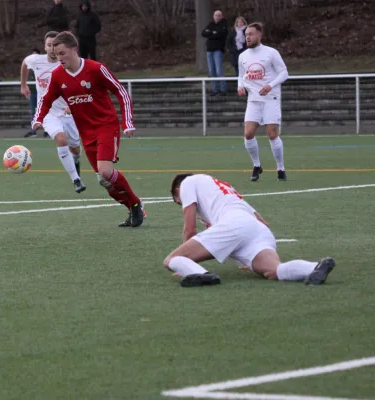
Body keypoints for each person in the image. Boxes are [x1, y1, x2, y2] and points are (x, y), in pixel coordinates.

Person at [33, 31, 145, 227]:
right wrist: (38, 119)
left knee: (105, 171)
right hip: (86, 133)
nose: (58, 58)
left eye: (62, 53)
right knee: (105, 180)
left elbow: (120, 91)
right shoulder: (58, 75)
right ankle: (133, 208)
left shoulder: (96, 69)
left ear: (74, 50)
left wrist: (127, 122)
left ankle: (136, 204)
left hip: (106, 127)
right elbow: (46, 99)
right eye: (56, 54)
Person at [163, 173, 335, 287]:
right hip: (258, 230)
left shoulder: (187, 183)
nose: (182, 203)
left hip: (235, 223)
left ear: (177, 191)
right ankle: (314, 267)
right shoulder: (223, 191)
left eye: (178, 201)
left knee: (172, 259)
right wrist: (246, 259)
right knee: (274, 270)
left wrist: (186, 262)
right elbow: (262, 223)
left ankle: (200, 274)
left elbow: (190, 227)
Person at [21, 31, 86, 194]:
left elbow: (79, 83)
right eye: (49, 45)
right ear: (44, 46)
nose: (51, 49)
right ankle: (76, 180)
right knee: (61, 139)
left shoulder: (65, 64)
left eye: (54, 46)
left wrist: (72, 103)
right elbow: (24, 63)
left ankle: (76, 162)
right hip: (48, 112)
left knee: (76, 149)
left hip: (67, 112)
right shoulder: (35, 60)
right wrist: (23, 85)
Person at [238, 22, 289, 182]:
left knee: (272, 134)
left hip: (270, 99)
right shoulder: (243, 56)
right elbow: (241, 76)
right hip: (253, 100)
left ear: (259, 36)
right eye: (246, 35)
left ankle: (280, 167)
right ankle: (256, 165)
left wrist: (270, 85)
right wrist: (240, 86)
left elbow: (284, 73)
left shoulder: (271, 53)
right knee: (248, 134)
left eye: (251, 34)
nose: (248, 37)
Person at [202, 10, 228, 96]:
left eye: (218, 15)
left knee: (218, 70)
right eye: (215, 15)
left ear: (221, 16)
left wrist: (210, 33)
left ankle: (223, 89)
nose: (217, 17)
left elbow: (220, 34)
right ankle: (214, 89)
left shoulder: (224, 24)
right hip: (209, 50)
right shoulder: (211, 24)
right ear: (213, 16)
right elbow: (203, 33)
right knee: (211, 70)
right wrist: (212, 33)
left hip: (218, 50)